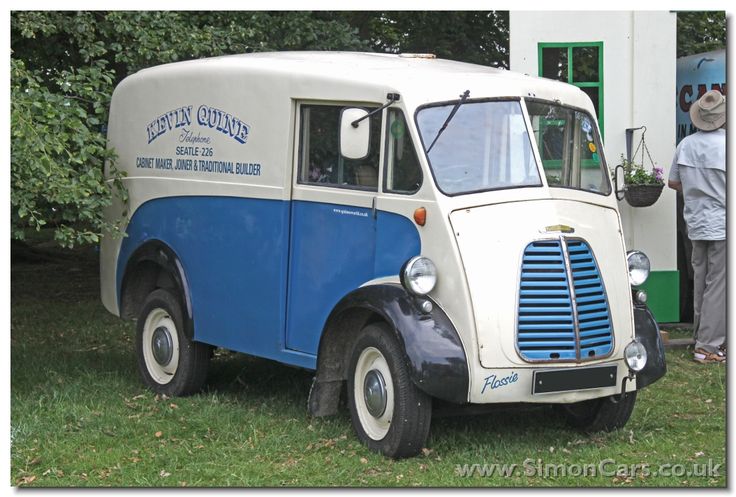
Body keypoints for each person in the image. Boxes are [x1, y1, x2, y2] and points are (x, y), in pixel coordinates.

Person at [668, 90, 726, 364]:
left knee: (702, 281)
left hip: (695, 220)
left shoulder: (686, 144)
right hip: (724, 223)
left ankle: (700, 335)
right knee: (719, 285)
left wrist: (696, 187)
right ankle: (708, 347)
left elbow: (673, 182)